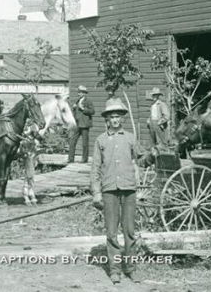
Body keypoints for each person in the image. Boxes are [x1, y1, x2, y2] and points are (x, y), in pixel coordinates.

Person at [91, 98, 140, 284]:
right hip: (109, 190)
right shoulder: (100, 140)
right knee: (112, 232)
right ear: (107, 119)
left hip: (129, 189)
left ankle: (131, 268)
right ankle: (115, 270)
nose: (115, 120)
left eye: (118, 116)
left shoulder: (130, 138)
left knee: (129, 231)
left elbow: (141, 158)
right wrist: (96, 192)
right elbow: (95, 168)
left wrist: (153, 155)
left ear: (122, 119)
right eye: (112, 117)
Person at [68, 85, 95, 163]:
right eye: (78, 92)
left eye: (80, 92)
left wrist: (83, 108)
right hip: (77, 124)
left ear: (84, 93)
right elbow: (76, 113)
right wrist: (74, 108)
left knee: (84, 143)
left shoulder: (88, 101)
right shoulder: (77, 101)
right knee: (72, 141)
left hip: (85, 125)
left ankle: (84, 159)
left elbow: (92, 111)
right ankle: (70, 159)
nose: (78, 94)